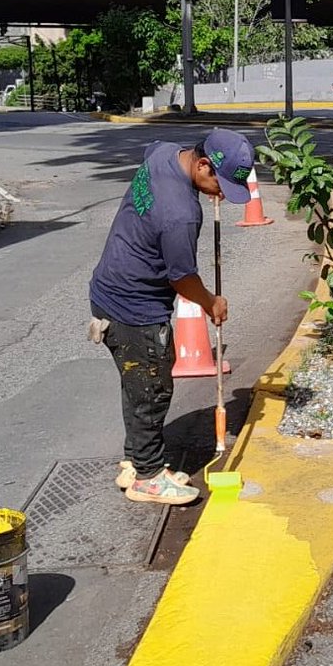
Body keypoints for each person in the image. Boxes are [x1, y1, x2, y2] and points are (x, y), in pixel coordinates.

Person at [89, 129, 255, 506]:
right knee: (152, 388)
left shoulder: (163, 153)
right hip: (134, 307)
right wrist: (212, 302)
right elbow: (181, 279)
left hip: (108, 290)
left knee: (137, 385)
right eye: (220, 184)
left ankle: (136, 459)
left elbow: (151, 155)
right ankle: (147, 476)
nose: (221, 196)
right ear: (201, 164)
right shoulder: (181, 214)